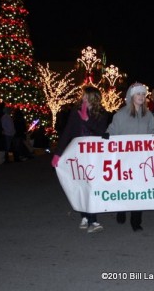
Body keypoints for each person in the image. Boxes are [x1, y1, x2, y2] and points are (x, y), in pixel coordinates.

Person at [51, 86, 109, 234]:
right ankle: (85, 216)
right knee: (81, 185)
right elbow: (68, 132)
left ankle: (92, 220)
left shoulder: (102, 113)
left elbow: (101, 132)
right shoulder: (75, 112)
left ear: (94, 99)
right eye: (83, 96)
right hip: (78, 154)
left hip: (94, 156)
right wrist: (58, 153)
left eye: (87, 97)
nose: (84, 99)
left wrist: (87, 120)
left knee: (92, 186)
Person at [105, 82, 154, 231]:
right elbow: (112, 130)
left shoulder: (148, 115)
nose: (141, 96)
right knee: (125, 187)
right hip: (125, 158)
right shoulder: (120, 115)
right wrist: (107, 135)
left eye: (143, 94)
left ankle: (136, 221)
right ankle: (121, 209)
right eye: (138, 94)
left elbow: (152, 131)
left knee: (138, 189)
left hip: (141, 159)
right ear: (131, 96)